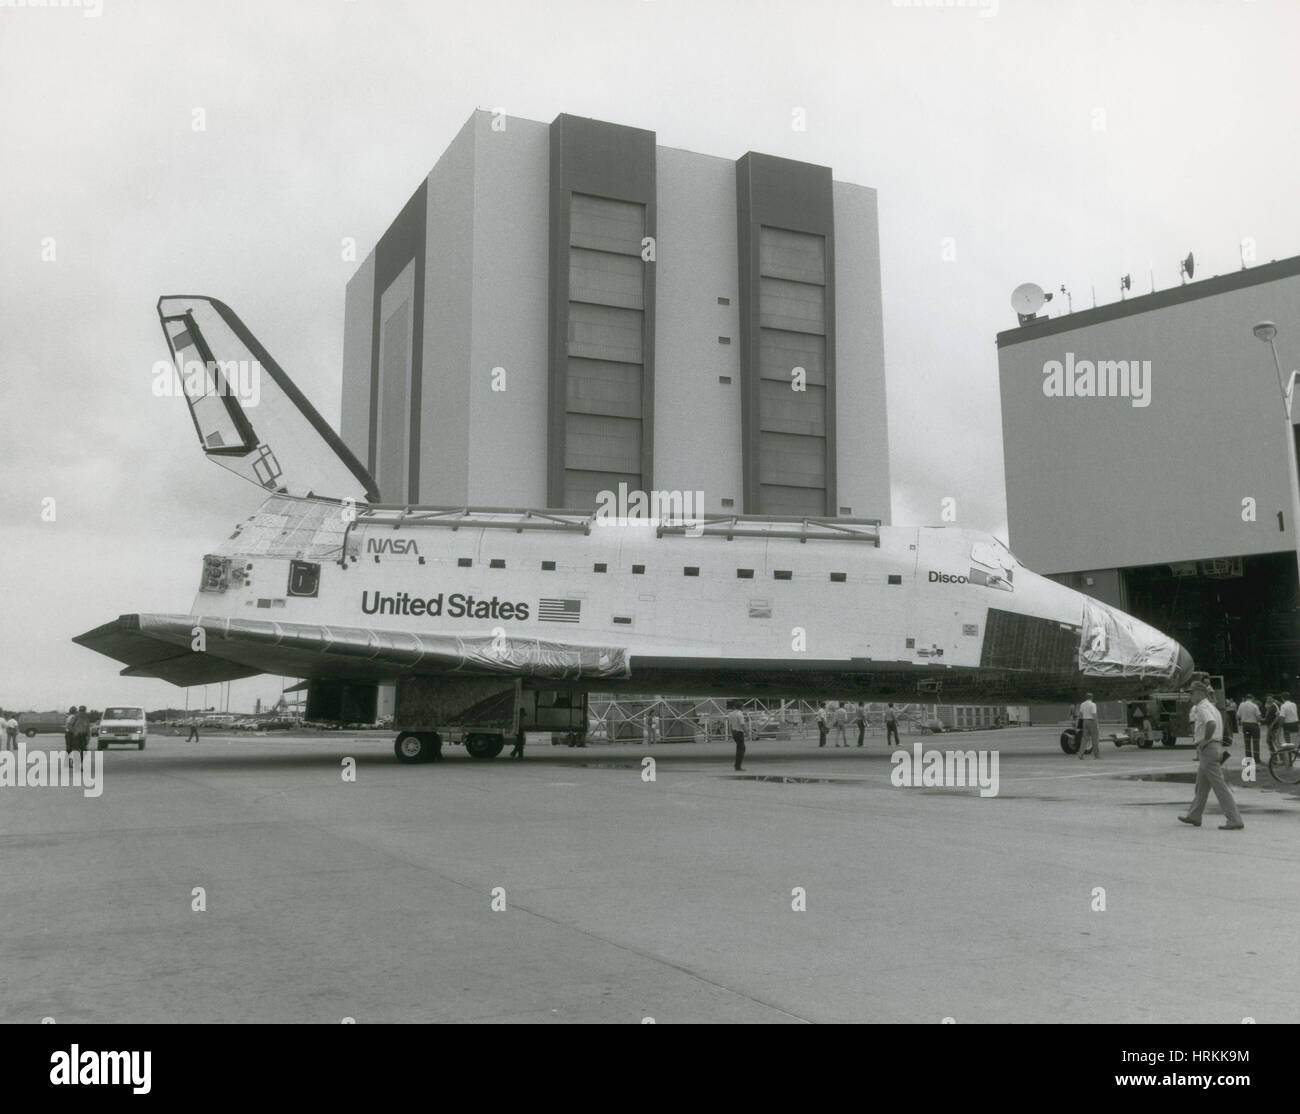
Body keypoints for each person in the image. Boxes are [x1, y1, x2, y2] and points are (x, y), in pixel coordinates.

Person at [1179, 677, 1244, 830]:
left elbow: (1211, 724)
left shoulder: (1202, 707)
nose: (1190, 697)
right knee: (1201, 786)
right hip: (1213, 748)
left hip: (1208, 749)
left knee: (1219, 786)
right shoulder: (1212, 707)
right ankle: (1194, 815)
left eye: (1191, 693)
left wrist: (1205, 741)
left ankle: (1234, 819)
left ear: (1200, 693)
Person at [1237, 693, 1261, 766]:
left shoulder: (1241, 705)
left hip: (1245, 725)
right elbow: (1258, 717)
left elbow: (1238, 715)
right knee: (1256, 742)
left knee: (1247, 743)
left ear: (1246, 698)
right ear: (1252, 698)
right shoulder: (1254, 705)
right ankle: (1256, 759)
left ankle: (1248, 760)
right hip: (1253, 725)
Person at [1077, 693, 1100, 760]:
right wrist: (1097, 724)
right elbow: (1094, 715)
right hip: (1091, 721)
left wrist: (1080, 723)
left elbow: (1080, 714)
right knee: (1095, 738)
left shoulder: (1082, 704)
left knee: (1084, 739)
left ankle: (1080, 754)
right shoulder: (1093, 704)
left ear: (1086, 697)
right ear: (1091, 697)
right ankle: (1096, 755)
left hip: (1085, 721)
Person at [727, 705, 747, 771]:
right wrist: (747, 732)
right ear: (741, 707)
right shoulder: (740, 714)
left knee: (739, 748)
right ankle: (738, 766)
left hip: (734, 732)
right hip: (739, 732)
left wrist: (731, 733)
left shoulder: (730, 714)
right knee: (741, 749)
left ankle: (737, 765)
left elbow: (730, 724)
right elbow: (742, 724)